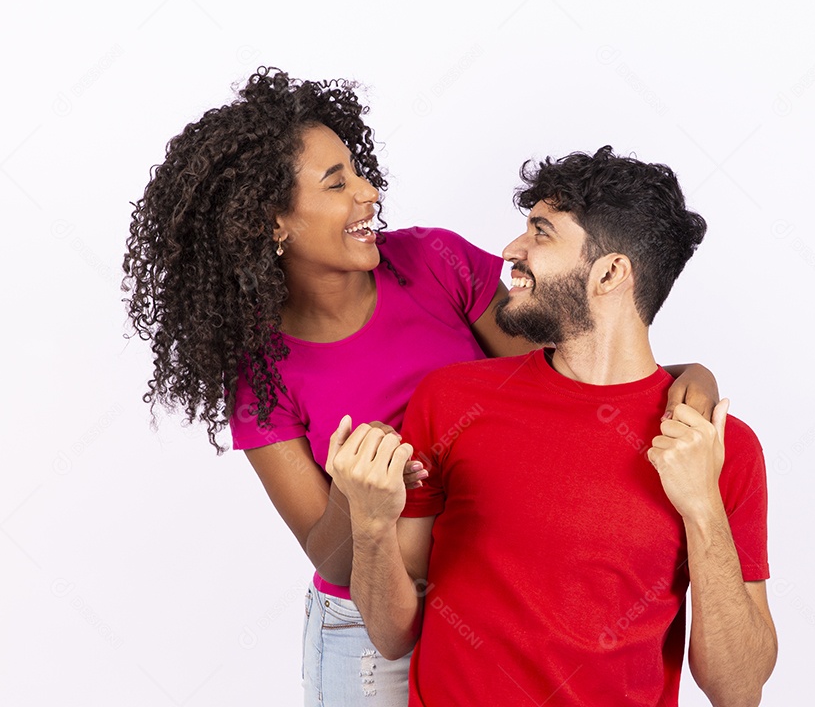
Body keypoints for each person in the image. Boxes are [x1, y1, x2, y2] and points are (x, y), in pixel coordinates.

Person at [122, 69, 721, 706]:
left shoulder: (433, 263)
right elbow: (331, 563)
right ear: (272, 223)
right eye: (338, 182)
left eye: (358, 170)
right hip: (364, 629)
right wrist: (357, 496)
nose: (370, 192)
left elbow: (568, 367)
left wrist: (690, 377)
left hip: (484, 598)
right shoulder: (258, 374)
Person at [327, 146, 777, 707]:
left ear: (610, 272)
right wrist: (370, 526)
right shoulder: (451, 400)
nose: (512, 251)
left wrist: (702, 507)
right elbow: (394, 634)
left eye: (541, 233)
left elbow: (738, 691)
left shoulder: (719, 446)